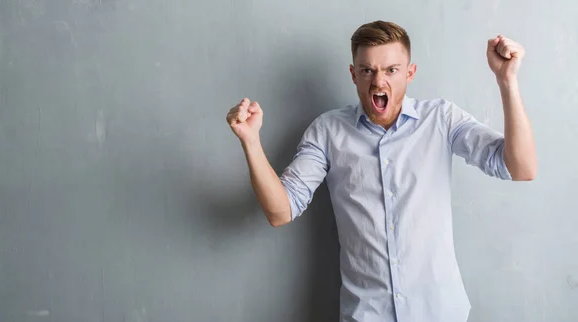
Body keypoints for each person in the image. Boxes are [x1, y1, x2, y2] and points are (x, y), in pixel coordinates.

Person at [225, 20, 536, 322]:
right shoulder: (327, 131)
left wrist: (506, 80)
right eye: (367, 70)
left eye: (391, 70)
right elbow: (281, 211)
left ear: (410, 73)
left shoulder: (441, 119)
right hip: (366, 315)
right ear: (353, 75)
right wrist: (251, 142)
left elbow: (520, 168)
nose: (378, 81)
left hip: (439, 312)